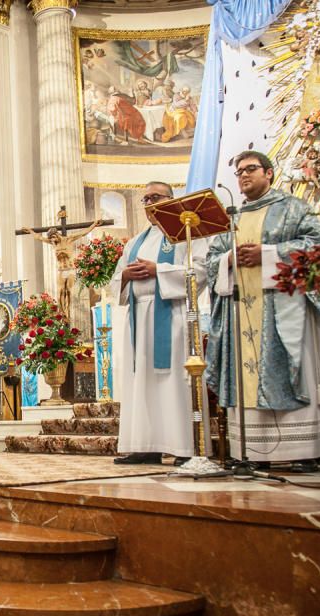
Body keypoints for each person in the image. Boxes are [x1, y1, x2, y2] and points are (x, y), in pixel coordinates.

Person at [206, 151, 320, 472]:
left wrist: (269, 253)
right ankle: (252, 451)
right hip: (240, 312)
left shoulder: (293, 208)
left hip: (283, 308)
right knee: (243, 372)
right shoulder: (230, 219)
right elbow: (211, 261)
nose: (243, 176)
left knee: (293, 368)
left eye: (251, 169)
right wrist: (228, 261)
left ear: (269, 173)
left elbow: (318, 244)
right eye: (239, 172)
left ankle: (303, 450)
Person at [109, 181, 209, 465]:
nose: (150, 203)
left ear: (171, 199)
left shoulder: (186, 233)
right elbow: (116, 280)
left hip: (173, 316)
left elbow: (200, 271)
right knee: (141, 383)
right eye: (146, 199)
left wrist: (158, 270)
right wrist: (127, 276)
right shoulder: (134, 242)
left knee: (173, 381)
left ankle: (183, 447)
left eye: (156, 197)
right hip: (139, 319)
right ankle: (145, 444)